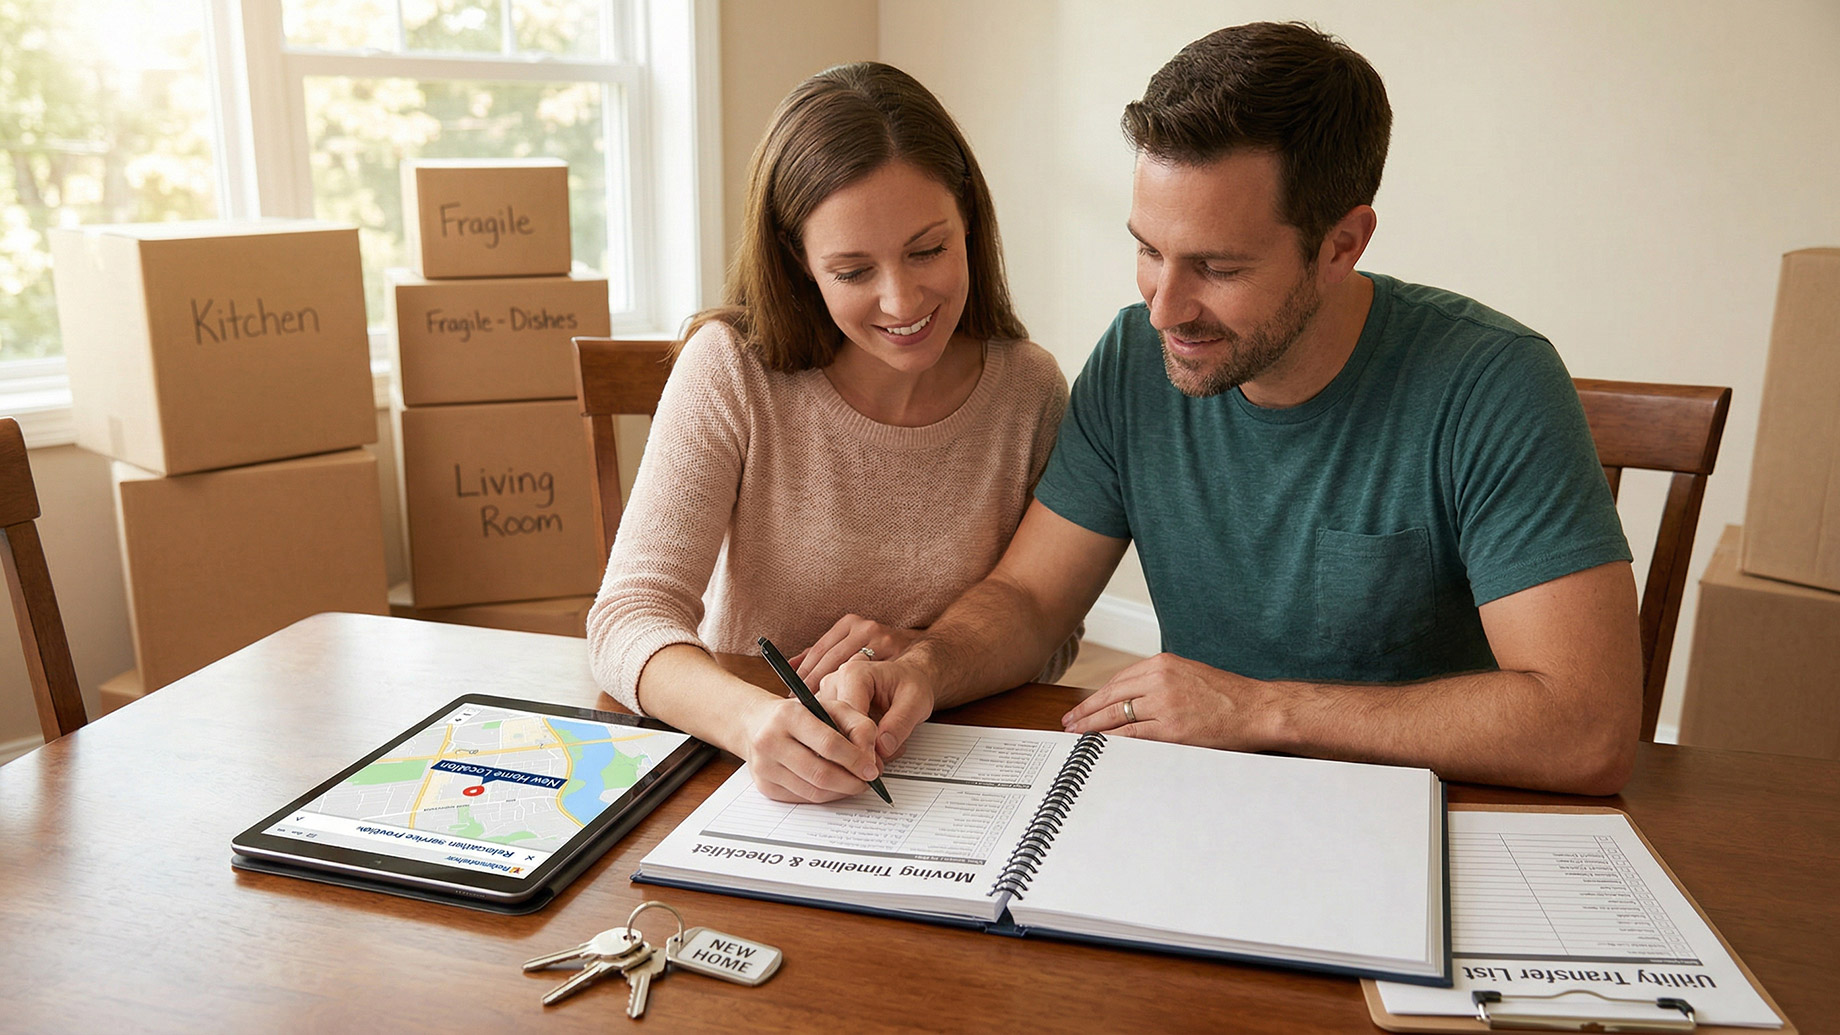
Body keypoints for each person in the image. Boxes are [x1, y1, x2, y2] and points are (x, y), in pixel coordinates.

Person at [825, 22, 1643, 796]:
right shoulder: (1133, 359)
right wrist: (927, 666)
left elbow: (1588, 726)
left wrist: (1260, 710)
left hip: (1423, 822)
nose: (1164, 309)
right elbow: (1033, 601)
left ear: (1342, 244)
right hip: (1203, 804)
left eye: (1217, 267)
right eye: (1148, 250)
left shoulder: (1492, 385)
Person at [586, 62, 1073, 803]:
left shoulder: (1030, 389)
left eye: (928, 249)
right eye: (852, 270)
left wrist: (929, 656)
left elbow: (1053, 635)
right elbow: (628, 617)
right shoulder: (732, 370)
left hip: (946, 780)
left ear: (969, 217)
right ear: (798, 262)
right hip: (742, 775)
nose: (902, 299)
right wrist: (754, 721)